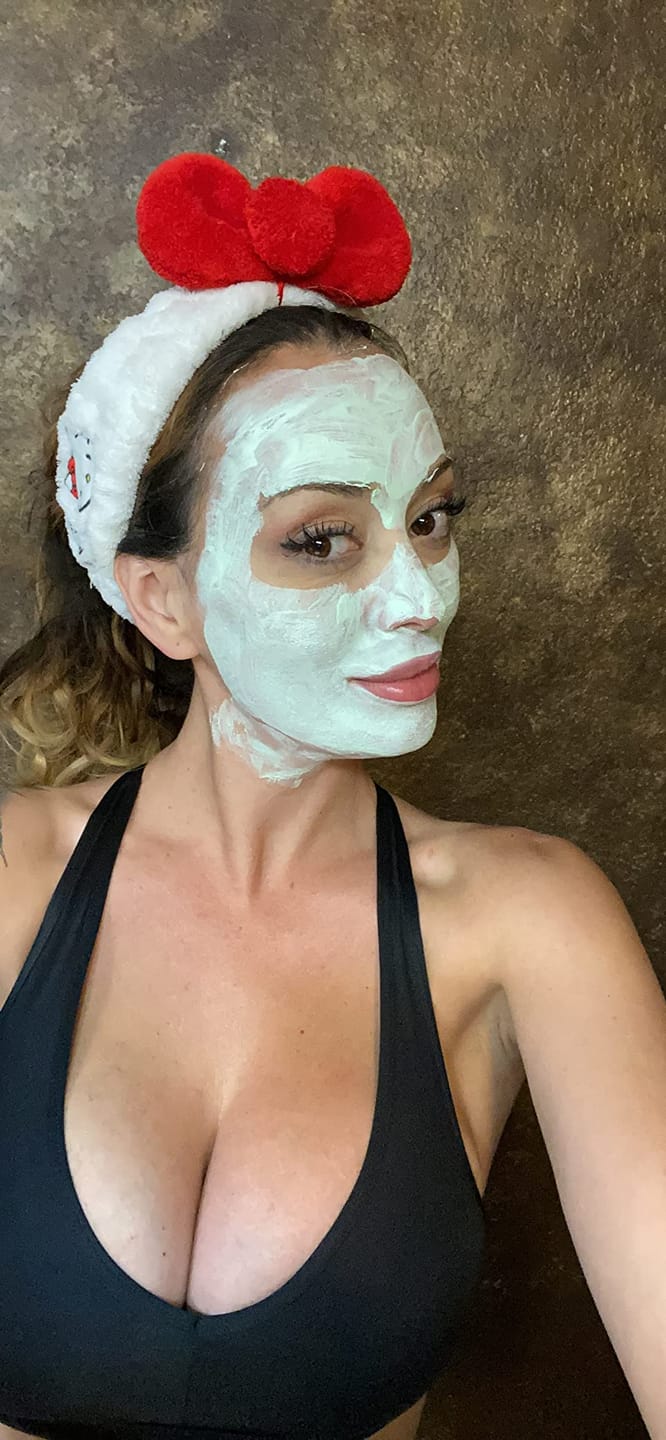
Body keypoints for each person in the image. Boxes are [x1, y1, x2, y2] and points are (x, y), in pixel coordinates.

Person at [0, 153, 533, 1440]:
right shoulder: (11, 884)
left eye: (431, 519)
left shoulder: (527, 921)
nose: (418, 596)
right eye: (321, 538)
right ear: (162, 599)